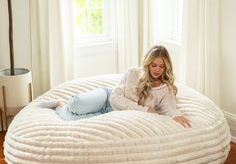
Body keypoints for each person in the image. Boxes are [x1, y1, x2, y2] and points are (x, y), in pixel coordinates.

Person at [37, 45, 191, 128]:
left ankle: (59, 104)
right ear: (147, 63)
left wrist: (176, 115)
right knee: (76, 105)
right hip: (106, 99)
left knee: (70, 119)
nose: (157, 69)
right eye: (154, 65)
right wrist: (144, 110)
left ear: (167, 67)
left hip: (116, 115)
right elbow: (115, 97)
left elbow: (169, 107)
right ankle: (65, 102)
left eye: (162, 66)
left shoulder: (164, 88)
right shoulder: (134, 74)